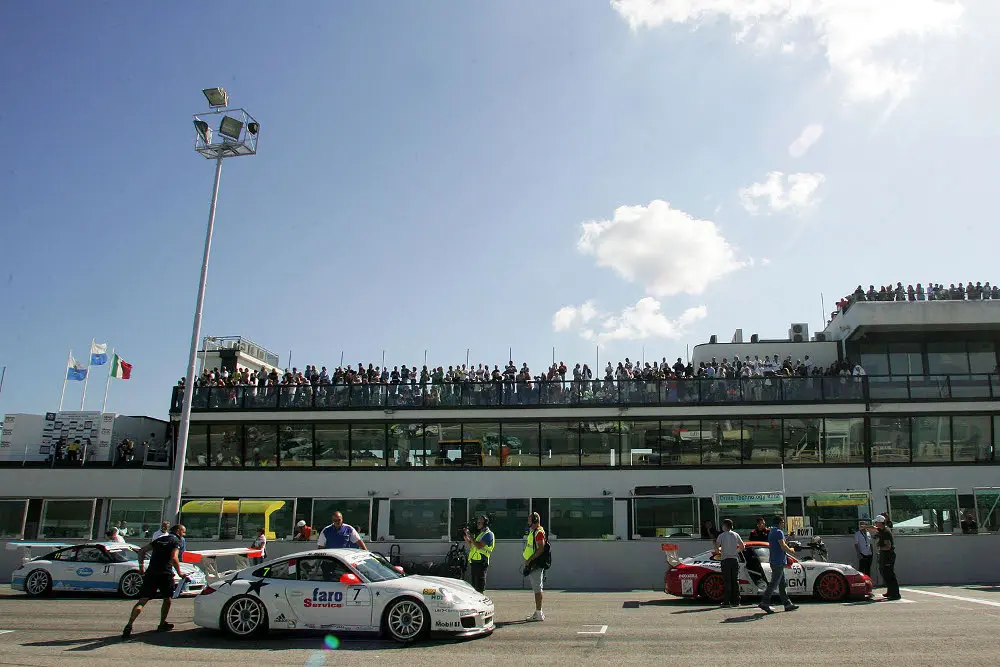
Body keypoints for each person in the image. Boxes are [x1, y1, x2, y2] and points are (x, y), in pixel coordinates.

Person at [122, 525, 186, 638]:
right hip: (165, 573)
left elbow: (142, 550)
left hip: (151, 573)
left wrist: (141, 566)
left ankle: (129, 624)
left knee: (142, 600)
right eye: (183, 532)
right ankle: (162, 624)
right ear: (178, 531)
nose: (184, 534)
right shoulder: (176, 541)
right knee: (167, 599)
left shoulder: (159, 539)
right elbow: (174, 558)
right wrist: (180, 573)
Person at [759, 516, 799, 614]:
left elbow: (781, 543)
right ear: (780, 522)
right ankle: (764, 602)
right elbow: (783, 546)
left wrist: (789, 538)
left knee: (782, 584)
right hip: (778, 561)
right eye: (783, 522)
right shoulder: (779, 532)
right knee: (774, 583)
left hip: (775, 560)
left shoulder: (772, 532)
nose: (784, 524)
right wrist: (792, 551)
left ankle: (787, 604)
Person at [714, 518, 745, 607]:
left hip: (725, 559)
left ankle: (727, 601)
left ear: (725, 526)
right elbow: (742, 546)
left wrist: (719, 552)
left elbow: (716, 548)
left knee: (727, 580)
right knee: (735, 580)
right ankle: (736, 601)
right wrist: (736, 551)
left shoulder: (721, 536)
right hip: (734, 559)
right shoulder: (736, 534)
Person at [522, 512, 547, 621]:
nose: (528, 522)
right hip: (532, 563)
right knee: (537, 587)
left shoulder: (538, 532)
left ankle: (538, 613)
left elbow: (540, 549)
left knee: (537, 588)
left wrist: (529, 560)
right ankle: (538, 612)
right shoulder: (534, 531)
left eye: (529, 520)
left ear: (534, 520)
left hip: (535, 564)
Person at [871, 515, 900, 600]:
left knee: (889, 574)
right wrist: (865, 527)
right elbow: (873, 528)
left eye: (877, 522)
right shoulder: (882, 530)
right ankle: (890, 591)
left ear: (881, 522)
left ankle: (895, 594)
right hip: (884, 555)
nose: (875, 523)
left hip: (888, 556)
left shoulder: (886, 532)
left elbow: (888, 546)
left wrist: (879, 548)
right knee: (884, 572)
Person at [464, 515, 495, 594]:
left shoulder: (489, 534)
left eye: (479, 522)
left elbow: (478, 546)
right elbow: (472, 545)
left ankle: (482, 604)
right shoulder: (480, 535)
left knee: (479, 588)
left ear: (485, 523)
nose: (477, 524)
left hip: (481, 563)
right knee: (474, 587)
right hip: (474, 562)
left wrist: (470, 536)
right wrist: (466, 537)